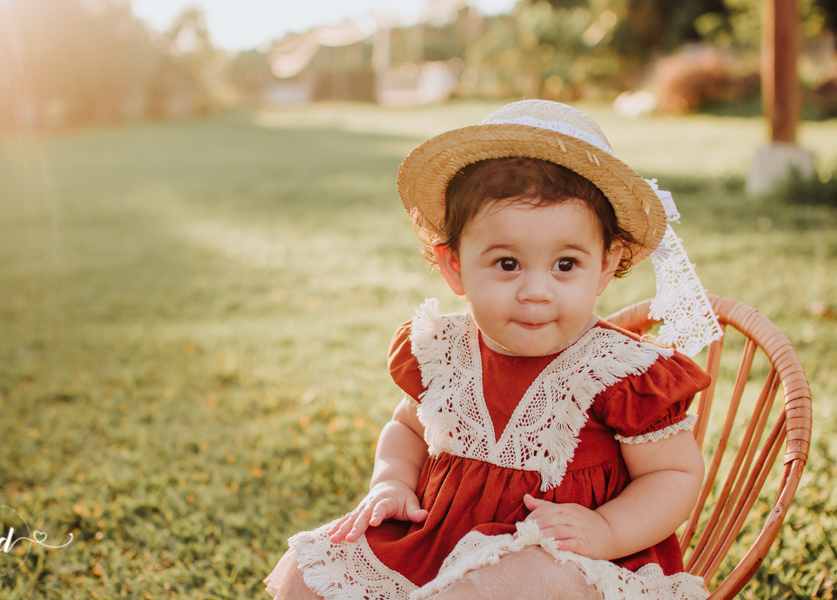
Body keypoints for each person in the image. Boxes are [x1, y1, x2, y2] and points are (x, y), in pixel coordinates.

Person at [264, 99, 723, 600]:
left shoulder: (619, 373)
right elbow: (407, 428)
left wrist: (607, 529)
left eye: (565, 265)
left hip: (568, 559)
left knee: (518, 582)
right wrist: (391, 482)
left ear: (606, 265)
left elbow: (673, 474)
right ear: (455, 266)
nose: (536, 291)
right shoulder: (444, 351)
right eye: (507, 264)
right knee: (311, 567)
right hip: (438, 546)